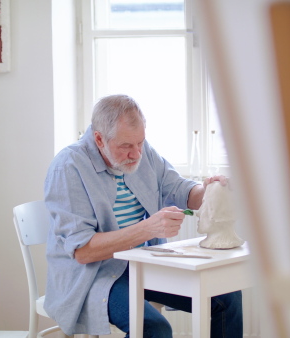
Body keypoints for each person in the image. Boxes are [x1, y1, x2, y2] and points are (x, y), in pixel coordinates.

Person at [43, 94, 243, 337]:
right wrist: (148, 229)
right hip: (94, 275)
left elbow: (181, 190)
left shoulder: (142, 151)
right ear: (99, 139)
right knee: (154, 327)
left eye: (140, 143)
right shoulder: (68, 167)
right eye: (126, 146)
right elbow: (83, 251)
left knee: (226, 296)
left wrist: (212, 191)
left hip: (144, 264)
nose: (137, 154)